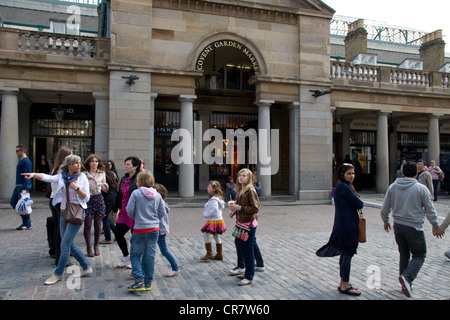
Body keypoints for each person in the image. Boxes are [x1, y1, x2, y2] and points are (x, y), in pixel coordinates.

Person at [22, 154, 92, 285]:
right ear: (69, 165)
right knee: (69, 243)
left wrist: (76, 188)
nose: (78, 165)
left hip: (76, 214)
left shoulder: (82, 178)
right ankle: (86, 267)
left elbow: (86, 198)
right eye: (76, 163)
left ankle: (57, 274)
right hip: (63, 213)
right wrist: (33, 175)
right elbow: (48, 178)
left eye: (79, 162)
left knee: (65, 244)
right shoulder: (62, 177)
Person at [380, 161, 441, 298]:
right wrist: (435, 226)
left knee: (404, 254)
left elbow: (384, 208)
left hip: (398, 227)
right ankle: (407, 278)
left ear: (402, 172)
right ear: (416, 173)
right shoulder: (421, 188)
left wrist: (386, 221)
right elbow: (430, 209)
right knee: (420, 254)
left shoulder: (393, 187)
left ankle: (404, 283)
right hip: (414, 227)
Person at [316, 163, 364, 296]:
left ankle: (343, 282)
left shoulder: (341, 187)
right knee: (348, 253)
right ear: (342, 174)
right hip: (347, 226)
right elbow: (360, 204)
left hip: (343, 224)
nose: (352, 176)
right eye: (349, 173)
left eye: (353, 173)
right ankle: (345, 284)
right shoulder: (344, 187)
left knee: (345, 253)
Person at [126, 171, 166, 292]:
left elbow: (129, 210)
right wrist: (153, 220)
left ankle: (139, 280)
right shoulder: (157, 195)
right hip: (154, 229)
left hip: (140, 228)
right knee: (150, 256)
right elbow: (162, 212)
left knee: (135, 255)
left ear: (140, 182)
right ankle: (148, 282)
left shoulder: (136, 193)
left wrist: (138, 218)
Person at [229, 168, 260, 286]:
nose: (241, 177)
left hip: (248, 225)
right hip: (241, 223)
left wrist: (239, 208)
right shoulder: (240, 190)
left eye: (244, 176)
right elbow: (241, 206)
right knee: (241, 246)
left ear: (249, 178)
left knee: (248, 250)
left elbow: (255, 208)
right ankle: (247, 271)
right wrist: (234, 212)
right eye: (239, 175)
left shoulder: (251, 190)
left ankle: (249, 276)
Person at [112, 156, 141, 269]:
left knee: (135, 238)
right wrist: (116, 208)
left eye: (128, 164)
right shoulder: (124, 179)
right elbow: (119, 195)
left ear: (135, 166)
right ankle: (126, 256)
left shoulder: (139, 178)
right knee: (118, 233)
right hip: (124, 211)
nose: (126, 166)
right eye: (125, 164)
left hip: (135, 213)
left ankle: (135, 259)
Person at [48, 146, 72, 264]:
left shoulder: (56, 169)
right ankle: (60, 257)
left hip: (55, 201)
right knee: (61, 231)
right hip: (59, 202)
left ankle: (60, 254)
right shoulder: (60, 171)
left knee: (61, 229)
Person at [82, 154, 108, 257]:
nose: (94, 163)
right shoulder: (83, 174)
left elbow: (105, 189)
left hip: (98, 198)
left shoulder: (102, 173)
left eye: (96, 161)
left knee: (98, 225)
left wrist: (106, 186)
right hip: (88, 198)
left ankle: (96, 245)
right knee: (87, 224)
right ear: (89, 163)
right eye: (92, 161)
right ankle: (89, 247)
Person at [154, 183, 180, 277]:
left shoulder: (160, 204)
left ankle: (175, 267)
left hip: (160, 230)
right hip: (158, 229)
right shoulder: (160, 203)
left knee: (163, 250)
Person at [200, 181, 226, 261]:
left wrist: (208, 214)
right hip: (217, 219)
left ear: (214, 189)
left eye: (209, 187)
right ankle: (219, 254)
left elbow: (214, 209)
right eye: (208, 187)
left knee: (205, 234)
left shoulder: (214, 199)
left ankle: (209, 253)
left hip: (213, 220)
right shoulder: (216, 198)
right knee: (216, 236)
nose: (207, 188)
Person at [11, 144, 33, 230]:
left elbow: (26, 175)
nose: (16, 153)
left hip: (22, 186)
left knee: (23, 205)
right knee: (14, 202)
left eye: (17, 151)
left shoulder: (26, 162)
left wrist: (25, 188)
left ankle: (27, 223)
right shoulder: (22, 161)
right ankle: (26, 221)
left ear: (22, 151)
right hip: (19, 185)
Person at [100, 160, 119, 244]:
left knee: (105, 218)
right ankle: (118, 234)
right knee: (106, 218)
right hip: (113, 196)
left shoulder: (104, 175)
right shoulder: (112, 174)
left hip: (108, 197)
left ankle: (108, 238)